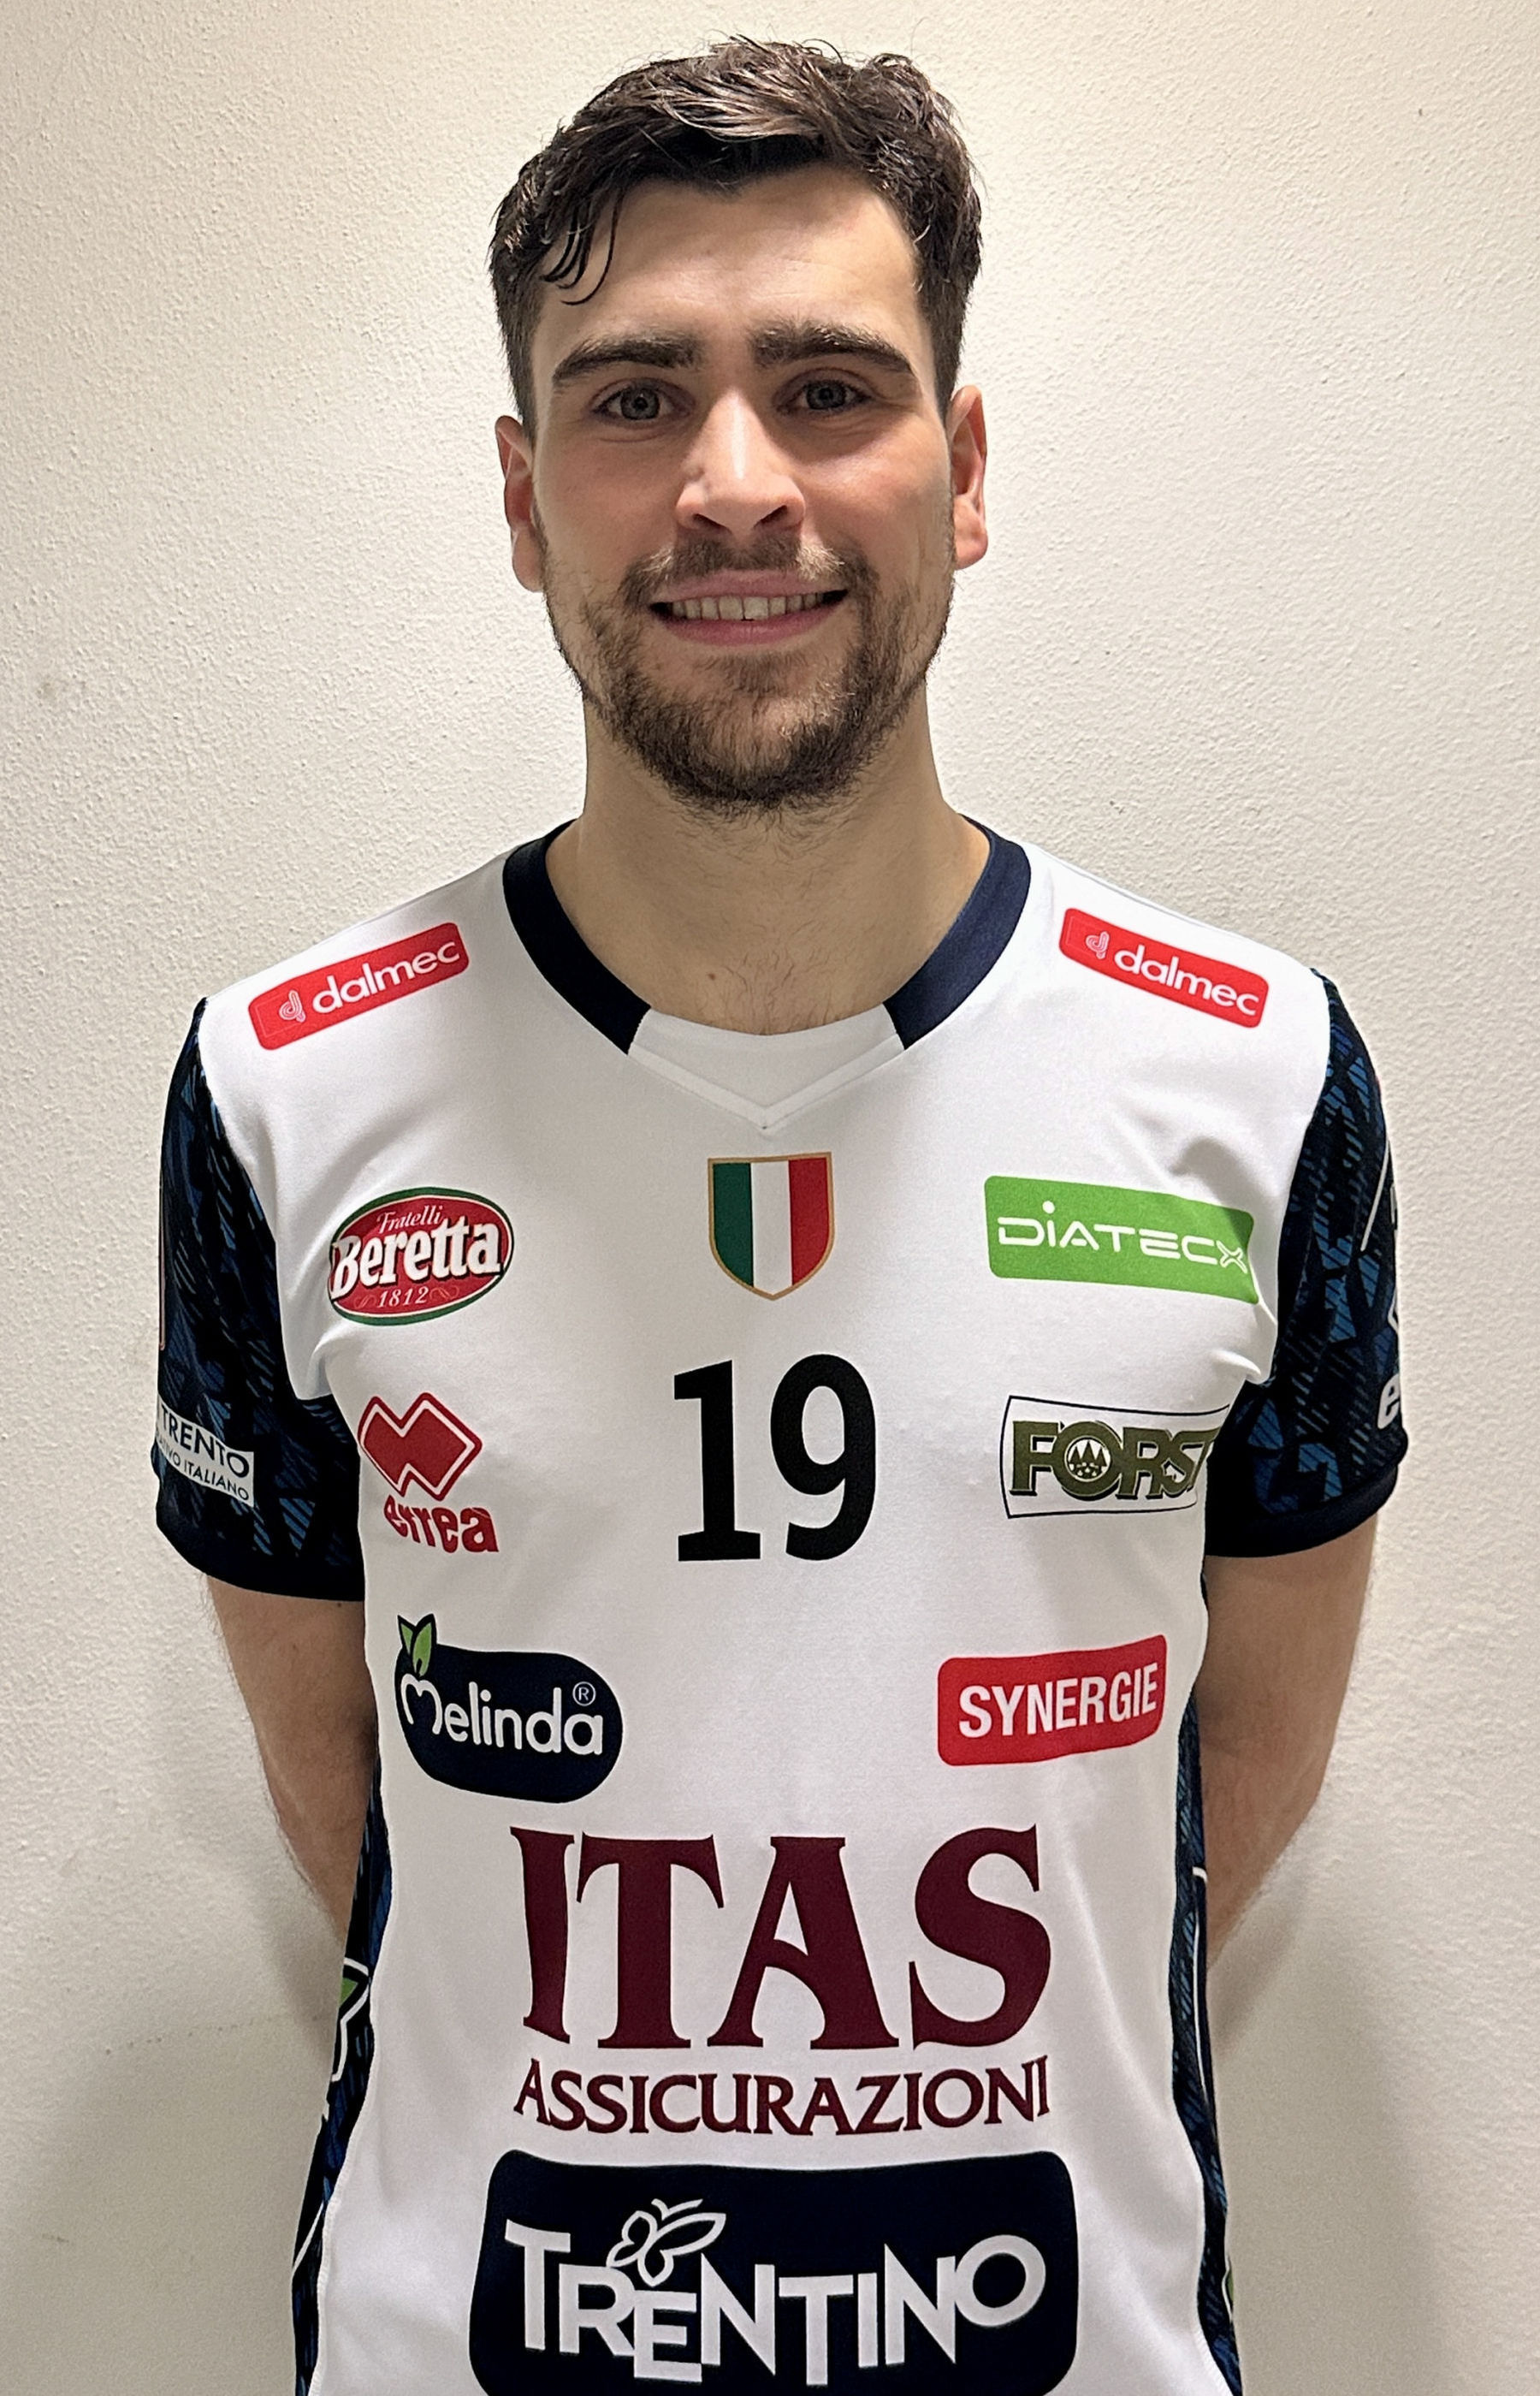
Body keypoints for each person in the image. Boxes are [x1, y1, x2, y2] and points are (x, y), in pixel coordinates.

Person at [153, 39, 1406, 2396]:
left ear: (966, 470)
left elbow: (1233, 1764)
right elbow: (353, 1792)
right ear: (522, 497)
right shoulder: (281, 1088)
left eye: (828, 389)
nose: (737, 485)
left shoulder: (1256, 1074)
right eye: (637, 401)